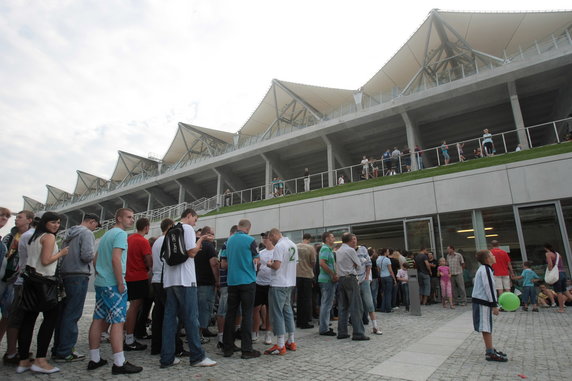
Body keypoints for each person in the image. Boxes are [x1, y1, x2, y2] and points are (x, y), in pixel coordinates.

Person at [87, 208, 142, 374]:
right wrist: (120, 282)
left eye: (133, 217)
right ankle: (119, 363)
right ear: (119, 218)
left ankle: (94, 359)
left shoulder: (107, 234)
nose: (132, 220)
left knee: (98, 319)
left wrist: (100, 273)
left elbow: (96, 259)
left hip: (102, 283)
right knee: (118, 321)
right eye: (129, 217)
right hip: (113, 283)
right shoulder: (120, 234)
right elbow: (116, 258)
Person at [160, 208, 217, 368]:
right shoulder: (187, 228)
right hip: (185, 279)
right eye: (195, 219)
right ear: (189, 215)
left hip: (170, 280)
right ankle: (197, 356)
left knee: (170, 320)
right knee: (191, 317)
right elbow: (192, 252)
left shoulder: (172, 230)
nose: (195, 222)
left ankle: (167, 358)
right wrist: (201, 241)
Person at [17, 212, 69, 374]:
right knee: (49, 321)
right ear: (45, 222)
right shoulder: (49, 237)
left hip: (30, 282)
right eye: (53, 222)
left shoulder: (32, 237)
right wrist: (62, 253)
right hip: (44, 283)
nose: (56, 225)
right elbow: (46, 260)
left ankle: (23, 360)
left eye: (58, 223)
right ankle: (40, 360)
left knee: (27, 321)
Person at [52, 213, 100, 362]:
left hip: (65, 274)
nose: (95, 229)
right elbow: (86, 256)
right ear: (92, 222)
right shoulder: (86, 233)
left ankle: (58, 348)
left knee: (63, 313)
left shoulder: (69, 233)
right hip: (79, 274)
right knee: (73, 314)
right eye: (95, 225)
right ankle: (66, 351)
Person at [221, 219, 260, 359]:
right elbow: (257, 259)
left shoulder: (228, 241)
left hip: (232, 281)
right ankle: (246, 349)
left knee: (230, 314)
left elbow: (223, 263)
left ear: (238, 227)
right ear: (248, 228)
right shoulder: (250, 240)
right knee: (247, 314)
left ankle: (227, 348)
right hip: (247, 281)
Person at [3, 211, 34, 366]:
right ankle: (11, 352)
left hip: (16, 280)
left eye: (19, 217)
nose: (15, 220)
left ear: (29, 220)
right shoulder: (10, 237)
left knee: (11, 316)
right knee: (13, 316)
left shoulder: (27, 236)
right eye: (15, 218)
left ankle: (16, 350)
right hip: (10, 279)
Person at [150, 218, 184, 356]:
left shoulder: (156, 241)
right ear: (170, 227)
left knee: (158, 314)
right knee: (172, 314)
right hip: (165, 280)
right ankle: (176, 347)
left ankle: (156, 346)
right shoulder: (168, 240)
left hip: (156, 279)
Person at [264, 228, 298, 355]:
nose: (270, 241)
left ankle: (280, 344)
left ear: (273, 235)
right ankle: (291, 340)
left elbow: (276, 265)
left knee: (277, 313)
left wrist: (269, 264)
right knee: (288, 311)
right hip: (290, 282)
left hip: (278, 282)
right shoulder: (292, 244)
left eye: (270, 238)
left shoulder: (279, 246)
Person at [471, 249, 507, 362]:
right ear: (487, 259)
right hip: (483, 302)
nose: (494, 256)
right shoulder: (486, 270)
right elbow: (489, 288)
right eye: (491, 255)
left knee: (486, 326)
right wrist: (494, 305)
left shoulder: (485, 269)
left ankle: (490, 348)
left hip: (481, 301)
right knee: (486, 326)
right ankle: (490, 352)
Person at [124, 217, 152, 352]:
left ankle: (126, 334)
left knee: (131, 307)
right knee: (135, 307)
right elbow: (148, 260)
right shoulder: (143, 241)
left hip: (128, 276)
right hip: (139, 276)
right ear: (146, 227)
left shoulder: (129, 239)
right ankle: (129, 338)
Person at [335, 233, 369, 341]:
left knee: (343, 307)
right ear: (350, 241)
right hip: (351, 278)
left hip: (341, 279)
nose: (355, 241)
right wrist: (364, 260)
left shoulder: (338, 251)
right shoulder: (350, 250)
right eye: (354, 239)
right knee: (356, 306)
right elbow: (359, 265)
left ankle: (342, 332)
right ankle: (358, 333)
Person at [194, 226, 219, 343]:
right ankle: (199, 335)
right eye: (212, 234)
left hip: (195, 281)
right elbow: (214, 264)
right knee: (204, 309)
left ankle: (196, 334)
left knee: (196, 309)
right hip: (206, 282)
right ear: (207, 234)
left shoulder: (196, 245)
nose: (213, 237)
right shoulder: (209, 246)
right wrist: (217, 280)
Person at [356, 246, 382, 335]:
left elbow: (368, 263)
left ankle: (375, 326)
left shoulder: (362, 249)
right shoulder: (348, 251)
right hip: (354, 281)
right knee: (356, 305)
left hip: (363, 280)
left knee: (369, 303)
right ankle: (358, 326)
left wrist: (367, 277)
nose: (354, 241)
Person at [253, 232, 273, 345]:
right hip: (259, 282)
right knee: (255, 308)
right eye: (263, 238)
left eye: (266, 237)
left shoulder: (276, 251)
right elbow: (256, 266)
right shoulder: (260, 253)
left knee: (269, 309)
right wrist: (257, 265)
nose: (264, 239)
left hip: (271, 283)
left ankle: (268, 333)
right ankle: (254, 332)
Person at [318, 231, 337, 336]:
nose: (334, 238)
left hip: (326, 279)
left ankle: (324, 326)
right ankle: (324, 328)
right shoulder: (325, 249)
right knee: (327, 304)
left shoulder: (327, 249)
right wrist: (332, 274)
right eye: (332, 237)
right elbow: (322, 263)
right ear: (327, 239)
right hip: (327, 280)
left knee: (326, 303)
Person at [295, 233, 316, 329]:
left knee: (299, 299)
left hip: (297, 275)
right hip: (307, 275)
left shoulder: (296, 246)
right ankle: (305, 321)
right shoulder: (311, 248)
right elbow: (313, 262)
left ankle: (299, 321)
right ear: (309, 239)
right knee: (307, 299)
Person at [545, 243, 567, 313]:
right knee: (565, 291)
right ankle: (562, 307)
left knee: (559, 292)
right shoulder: (558, 254)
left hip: (557, 275)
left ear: (545, 248)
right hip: (563, 272)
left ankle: (561, 308)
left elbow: (550, 264)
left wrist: (549, 271)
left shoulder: (548, 254)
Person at [377, 248, 396, 313]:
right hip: (388, 276)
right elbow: (390, 271)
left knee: (384, 293)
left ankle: (383, 308)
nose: (388, 252)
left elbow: (378, 270)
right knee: (388, 293)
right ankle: (388, 308)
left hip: (382, 277)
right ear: (385, 252)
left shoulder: (378, 259)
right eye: (387, 251)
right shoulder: (387, 259)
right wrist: (394, 279)